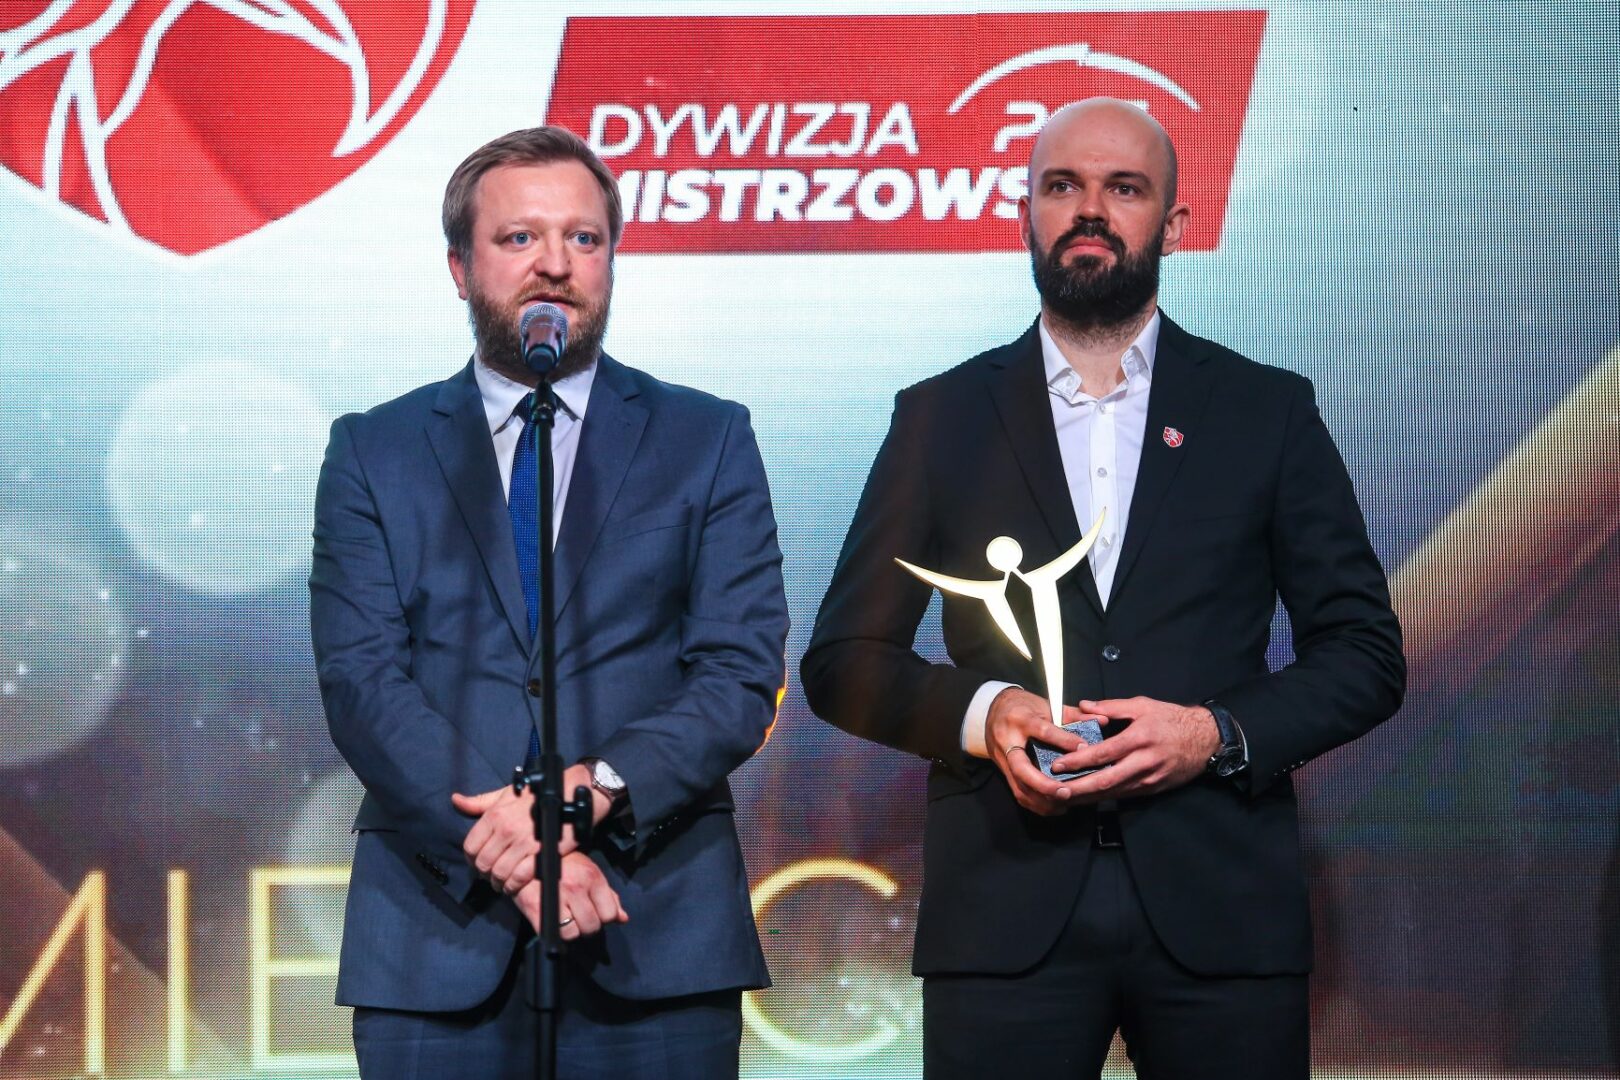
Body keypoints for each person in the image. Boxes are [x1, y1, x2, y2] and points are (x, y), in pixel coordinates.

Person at [800, 98, 1405, 1078]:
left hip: (1221, 908)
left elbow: (1366, 655)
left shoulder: (1266, 410)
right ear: (1025, 216)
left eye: (1124, 188)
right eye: (1062, 186)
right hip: (1003, 910)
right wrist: (984, 713)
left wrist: (1214, 733)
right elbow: (843, 661)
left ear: (1174, 224)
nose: (1090, 209)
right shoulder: (940, 417)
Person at [310, 126, 788, 1079]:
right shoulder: (374, 449)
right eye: (520, 238)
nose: (556, 265)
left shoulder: (707, 438)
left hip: (653, 923)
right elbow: (363, 682)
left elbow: (739, 672)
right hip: (434, 931)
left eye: (584, 238)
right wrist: (511, 846)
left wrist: (589, 791)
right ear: (459, 267)